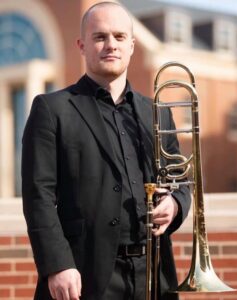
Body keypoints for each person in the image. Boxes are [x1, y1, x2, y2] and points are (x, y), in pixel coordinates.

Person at [22, 2, 191, 300]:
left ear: (132, 45)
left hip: (153, 273)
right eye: (99, 37)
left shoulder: (158, 113)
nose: (110, 45)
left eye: (119, 37)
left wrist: (176, 205)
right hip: (83, 273)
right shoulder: (52, 109)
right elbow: (38, 196)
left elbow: (180, 181)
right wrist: (57, 265)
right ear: (82, 45)